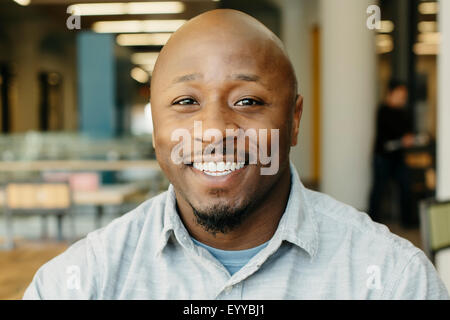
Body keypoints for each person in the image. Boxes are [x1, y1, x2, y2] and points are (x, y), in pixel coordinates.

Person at [23, 9, 448, 299]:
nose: (214, 131)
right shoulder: (81, 281)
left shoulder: (393, 278)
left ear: (293, 120)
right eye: (186, 102)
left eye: (248, 102)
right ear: (155, 127)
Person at [368, 80, 415, 227]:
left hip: (398, 158)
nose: (403, 99)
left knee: (406, 187)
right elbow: (388, 132)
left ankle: (408, 221)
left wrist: (408, 138)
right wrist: (403, 138)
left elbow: (408, 130)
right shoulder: (383, 110)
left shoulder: (403, 112)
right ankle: (372, 222)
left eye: (404, 96)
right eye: (400, 95)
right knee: (379, 189)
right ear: (391, 93)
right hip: (383, 157)